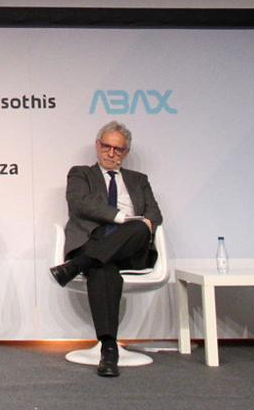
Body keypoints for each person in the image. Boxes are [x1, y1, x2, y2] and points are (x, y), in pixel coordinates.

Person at [49, 121, 162, 378]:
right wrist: (121, 216)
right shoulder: (80, 174)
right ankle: (109, 349)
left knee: (140, 228)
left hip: (131, 248)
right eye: (107, 147)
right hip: (93, 241)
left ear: (126, 152)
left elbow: (154, 214)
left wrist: (135, 223)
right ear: (97, 145)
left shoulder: (138, 180)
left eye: (118, 149)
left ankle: (77, 265)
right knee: (103, 268)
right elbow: (80, 204)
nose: (111, 154)